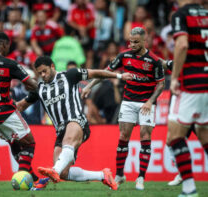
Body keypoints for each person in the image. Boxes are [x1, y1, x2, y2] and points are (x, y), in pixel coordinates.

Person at [16, 56, 133, 190]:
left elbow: (96, 72)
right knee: (64, 172)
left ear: (52, 66)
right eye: (40, 73)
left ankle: (48, 177)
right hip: (60, 131)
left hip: (77, 121)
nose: (43, 75)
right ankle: (102, 175)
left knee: (67, 146)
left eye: (45, 71)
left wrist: (119, 76)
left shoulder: (69, 75)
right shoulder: (40, 89)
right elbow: (20, 106)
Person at [82, 27, 166, 190]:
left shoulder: (154, 60)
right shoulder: (124, 56)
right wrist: (89, 87)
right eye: (130, 41)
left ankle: (141, 177)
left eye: (135, 42)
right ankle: (120, 174)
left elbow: (161, 84)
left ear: (144, 41)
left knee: (145, 135)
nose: (132, 44)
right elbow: (105, 72)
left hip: (146, 102)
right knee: (123, 136)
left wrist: (150, 101)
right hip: (128, 101)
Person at [0, 32, 49, 190]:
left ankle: (34, 179)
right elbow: (32, 84)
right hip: (5, 113)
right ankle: (21, 180)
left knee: (14, 142)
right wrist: (43, 89)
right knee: (29, 143)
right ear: (5, 45)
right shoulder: (9, 63)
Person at [167, 1, 208, 196]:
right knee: (204, 135)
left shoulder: (180, 14)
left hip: (192, 83)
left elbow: (182, 45)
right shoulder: (206, 14)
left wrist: (174, 77)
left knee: (174, 136)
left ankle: (189, 189)